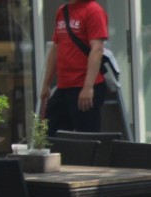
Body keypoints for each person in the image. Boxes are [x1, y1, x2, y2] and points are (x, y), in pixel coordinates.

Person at [39, 0, 110, 134]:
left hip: (85, 85)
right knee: (50, 133)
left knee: (87, 137)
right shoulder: (62, 11)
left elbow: (97, 50)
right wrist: (46, 83)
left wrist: (88, 87)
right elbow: (55, 48)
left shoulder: (94, 11)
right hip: (64, 86)